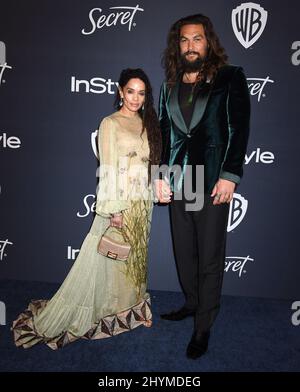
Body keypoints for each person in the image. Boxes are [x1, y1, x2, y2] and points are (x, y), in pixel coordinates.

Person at [12, 68, 162, 349]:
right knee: (109, 261)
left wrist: (156, 187)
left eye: (141, 93)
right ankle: (104, 310)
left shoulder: (146, 123)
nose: (135, 98)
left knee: (135, 260)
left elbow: (147, 164)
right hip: (120, 203)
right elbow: (106, 168)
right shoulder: (110, 123)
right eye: (130, 91)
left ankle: (135, 311)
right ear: (120, 91)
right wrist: (114, 209)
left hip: (142, 204)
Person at [156, 14, 250, 359]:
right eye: (184, 40)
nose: (190, 46)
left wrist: (230, 175)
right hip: (182, 179)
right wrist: (160, 176)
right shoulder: (169, 85)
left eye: (197, 39)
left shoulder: (230, 77)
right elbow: (165, 136)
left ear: (208, 42)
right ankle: (192, 303)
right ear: (176, 45)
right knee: (185, 251)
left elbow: (239, 128)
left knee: (210, 255)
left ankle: (203, 325)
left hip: (212, 178)